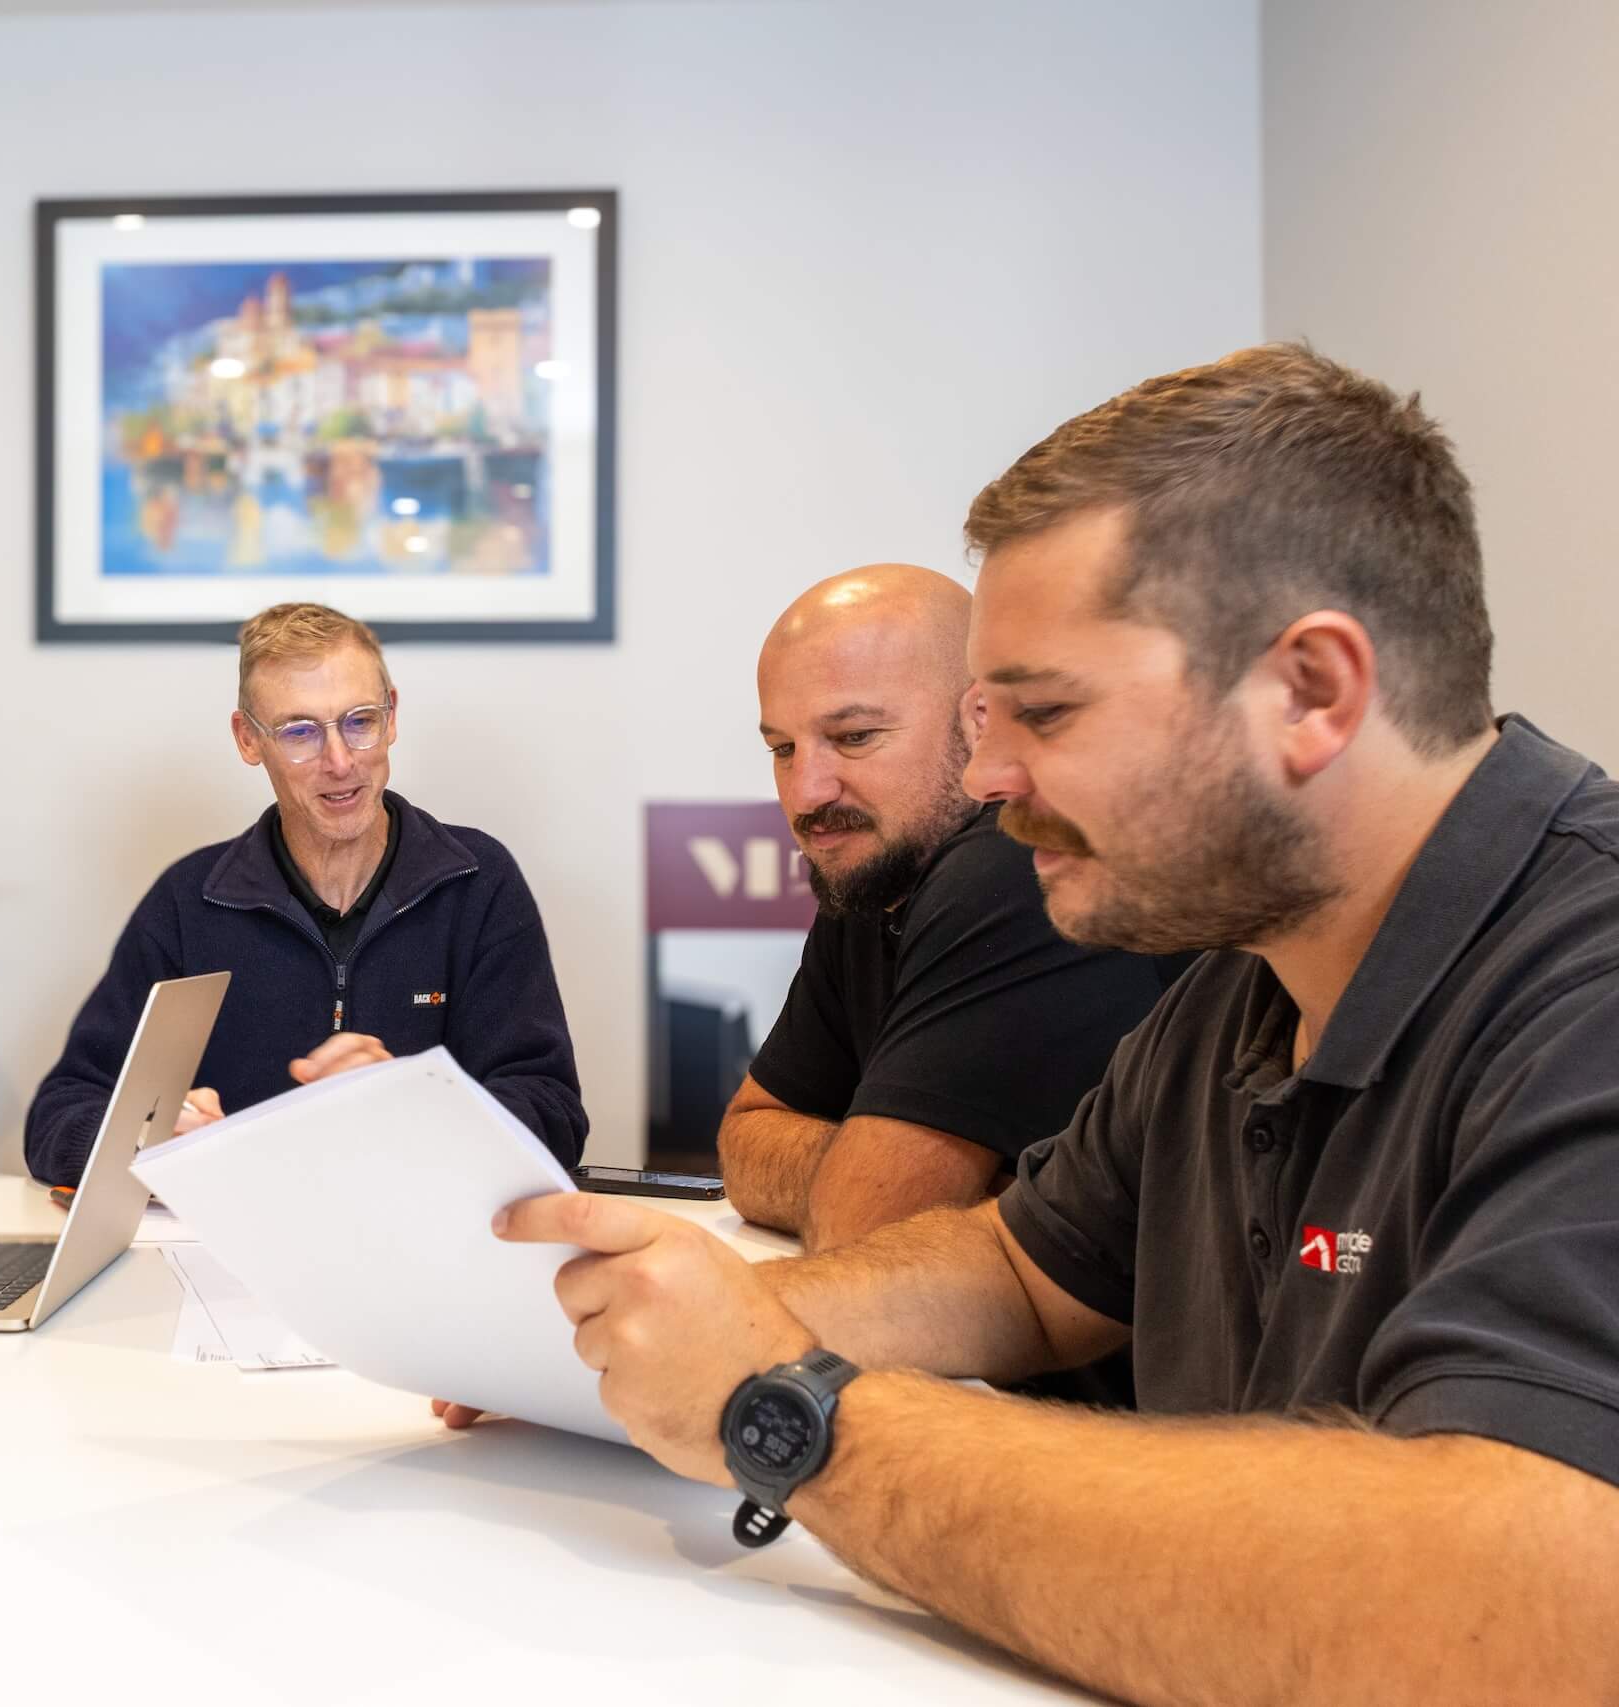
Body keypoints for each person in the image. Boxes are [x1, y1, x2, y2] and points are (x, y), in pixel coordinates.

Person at [496, 346, 1619, 1702]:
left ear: (1314, 690)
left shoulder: (1585, 985)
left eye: (1045, 710)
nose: (987, 775)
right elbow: (1023, 1272)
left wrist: (789, 1411)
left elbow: (1516, 1610)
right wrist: (664, 1329)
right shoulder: (1241, 973)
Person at [25, 602, 586, 1185]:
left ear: (391, 718)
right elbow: (60, 1112)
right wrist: (146, 1138)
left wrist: (414, 1109)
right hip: (231, 1249)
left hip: (424, 1250)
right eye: (299, 732)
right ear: (248, 740)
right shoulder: (188, 901)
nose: (340, 762)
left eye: (359, 721)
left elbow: (554, 1115)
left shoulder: (477, 882)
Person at [722, 563, 1184, 1256]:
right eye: (783, 748)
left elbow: (860, 1228)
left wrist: (882, 1182)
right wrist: (894, 1174)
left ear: (979, 719)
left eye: (854, 737)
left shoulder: (1009, 865)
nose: (809, 790)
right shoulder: (874, 865)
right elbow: (746, 1136)